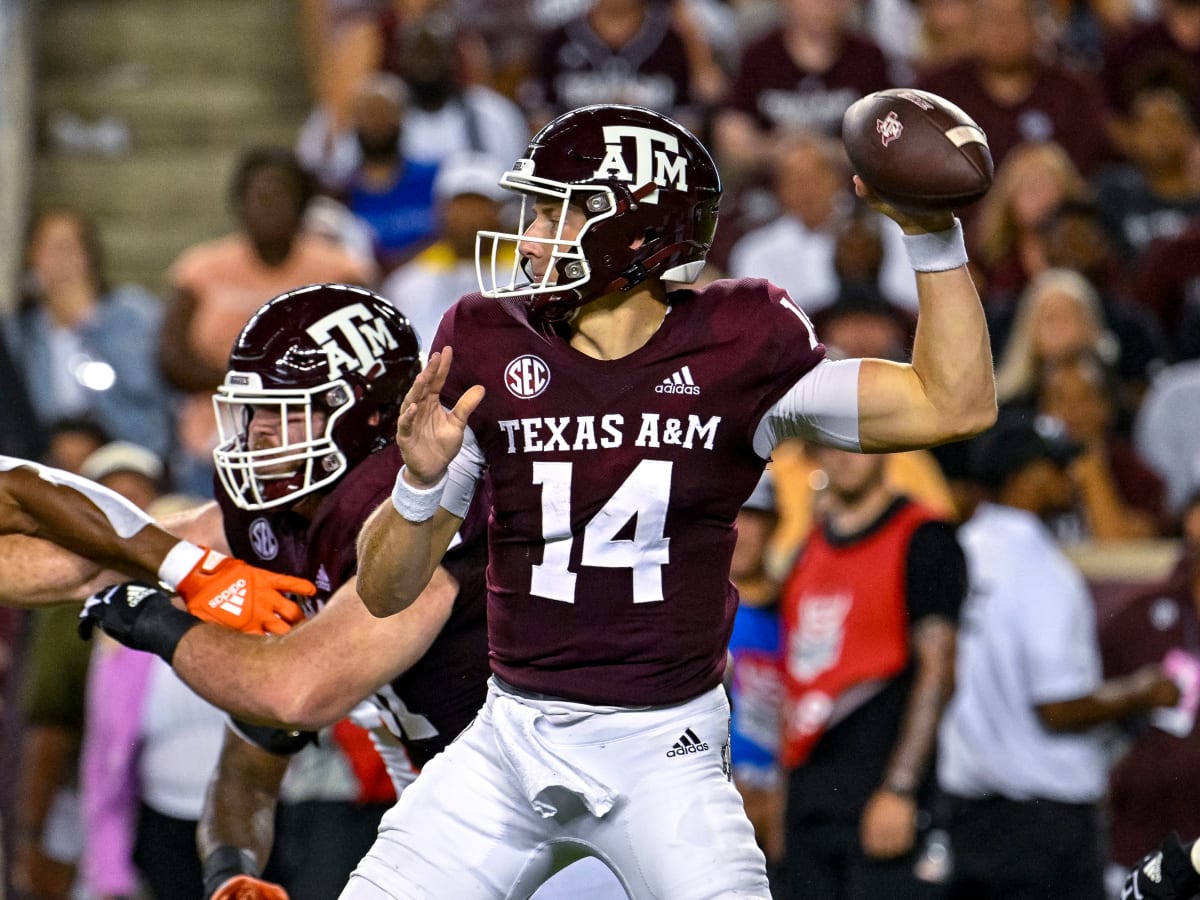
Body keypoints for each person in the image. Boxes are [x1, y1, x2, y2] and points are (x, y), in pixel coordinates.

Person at [351, 102, 996, 898]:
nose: (528, 238)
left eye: (557, 211)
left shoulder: (740, 340)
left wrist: (932, 234)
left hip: (665, 748)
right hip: (510, 737)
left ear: (630, 227)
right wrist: (418, 485)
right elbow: (384, 593)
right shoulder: (487, 337)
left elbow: (951, 404)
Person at [80, 282, 622, 899]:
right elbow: (245, 775)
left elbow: (295, 690)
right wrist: (230, 871)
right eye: (254, 413)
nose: (257, 435)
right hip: (464, 833)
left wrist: (152, 620)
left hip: (571, 828)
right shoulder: (292, 537)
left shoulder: (430, 516)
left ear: (363, 414)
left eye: (284, 412)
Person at [937, 413, 1181, 900]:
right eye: (1057, 467)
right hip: (1045, 829)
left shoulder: (957, 551)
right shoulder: (1044, 571)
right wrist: (1142, 692)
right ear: (1026, 478)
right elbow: (1058, 708)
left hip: (966, 815)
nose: (1071, 479)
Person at [777, 443, 965, 900]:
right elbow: (795, 683)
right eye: (833, 443)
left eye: (859, 442)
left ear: (886, 449)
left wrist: (900, 788)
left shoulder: (924, 536)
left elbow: (938, 672)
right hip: (808, 804)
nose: (845, 456)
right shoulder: (807, 548)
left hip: (880, 802)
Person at [158, 146, 372, 497]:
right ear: (239, 203)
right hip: (215, 442)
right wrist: (262, 385)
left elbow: (369, 355)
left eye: (281, 195)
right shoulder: (198, 268)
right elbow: (171, 359)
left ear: (303, 204)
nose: (268, 206)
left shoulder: (342, 269)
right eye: (258, 196)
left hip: (320, 441)